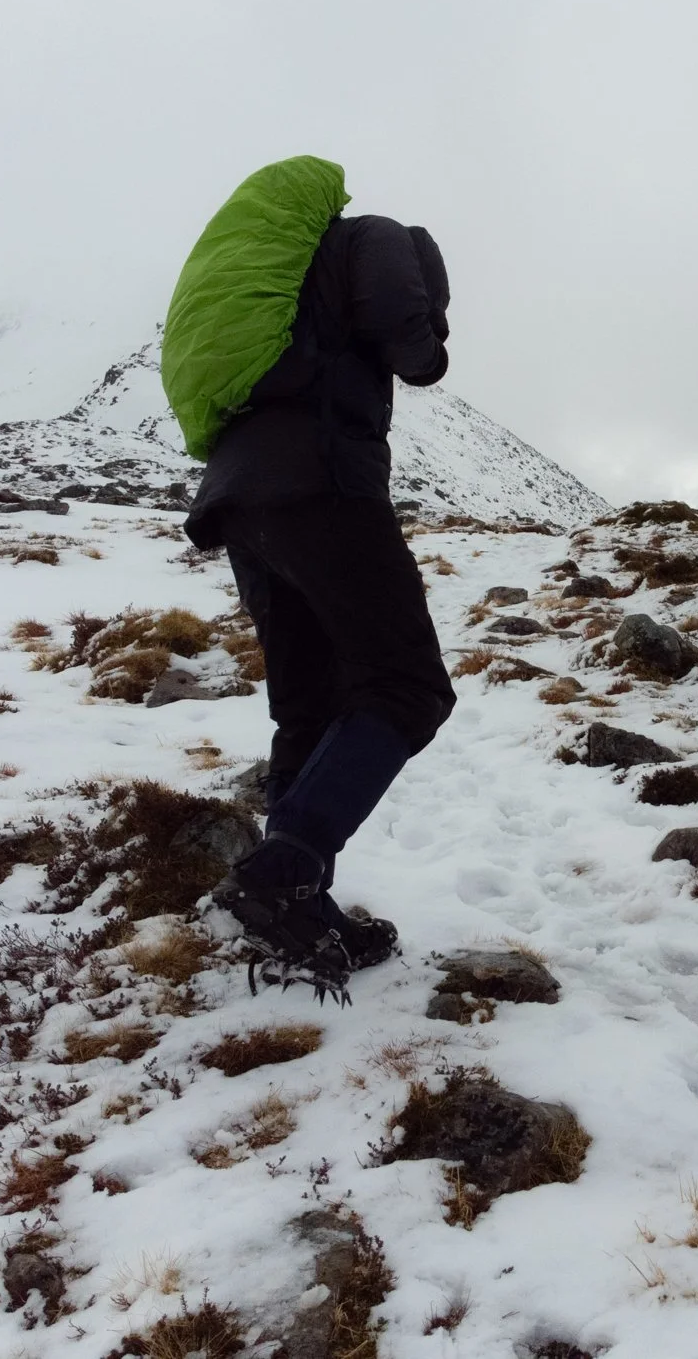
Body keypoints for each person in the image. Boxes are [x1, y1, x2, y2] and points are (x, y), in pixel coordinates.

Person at [180, 167, 457, 999]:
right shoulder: (379, 237)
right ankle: (285, 868)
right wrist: (427, 342)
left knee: (311, 701)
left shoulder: (289, 296)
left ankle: (294, 900)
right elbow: (408, 338)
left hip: (242, 496)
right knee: (407, 686)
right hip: (320, 479)